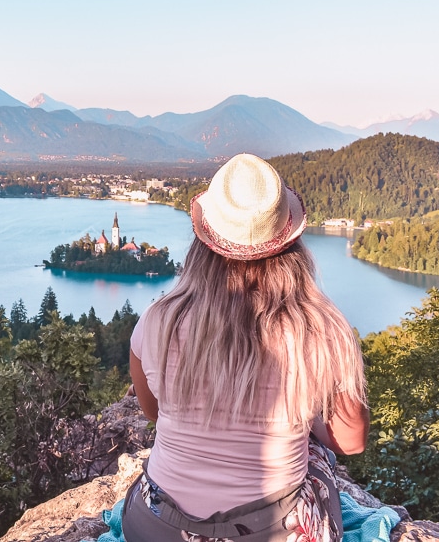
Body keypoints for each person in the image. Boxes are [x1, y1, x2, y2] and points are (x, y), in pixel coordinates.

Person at [123, 153, 368, 542]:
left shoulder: (159, 320)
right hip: (269, 533)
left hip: (157, 528)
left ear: (204, 241)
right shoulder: (323, 330)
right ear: (291, 241)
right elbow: (351, 441)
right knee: (317, 457)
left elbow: (153, 411)